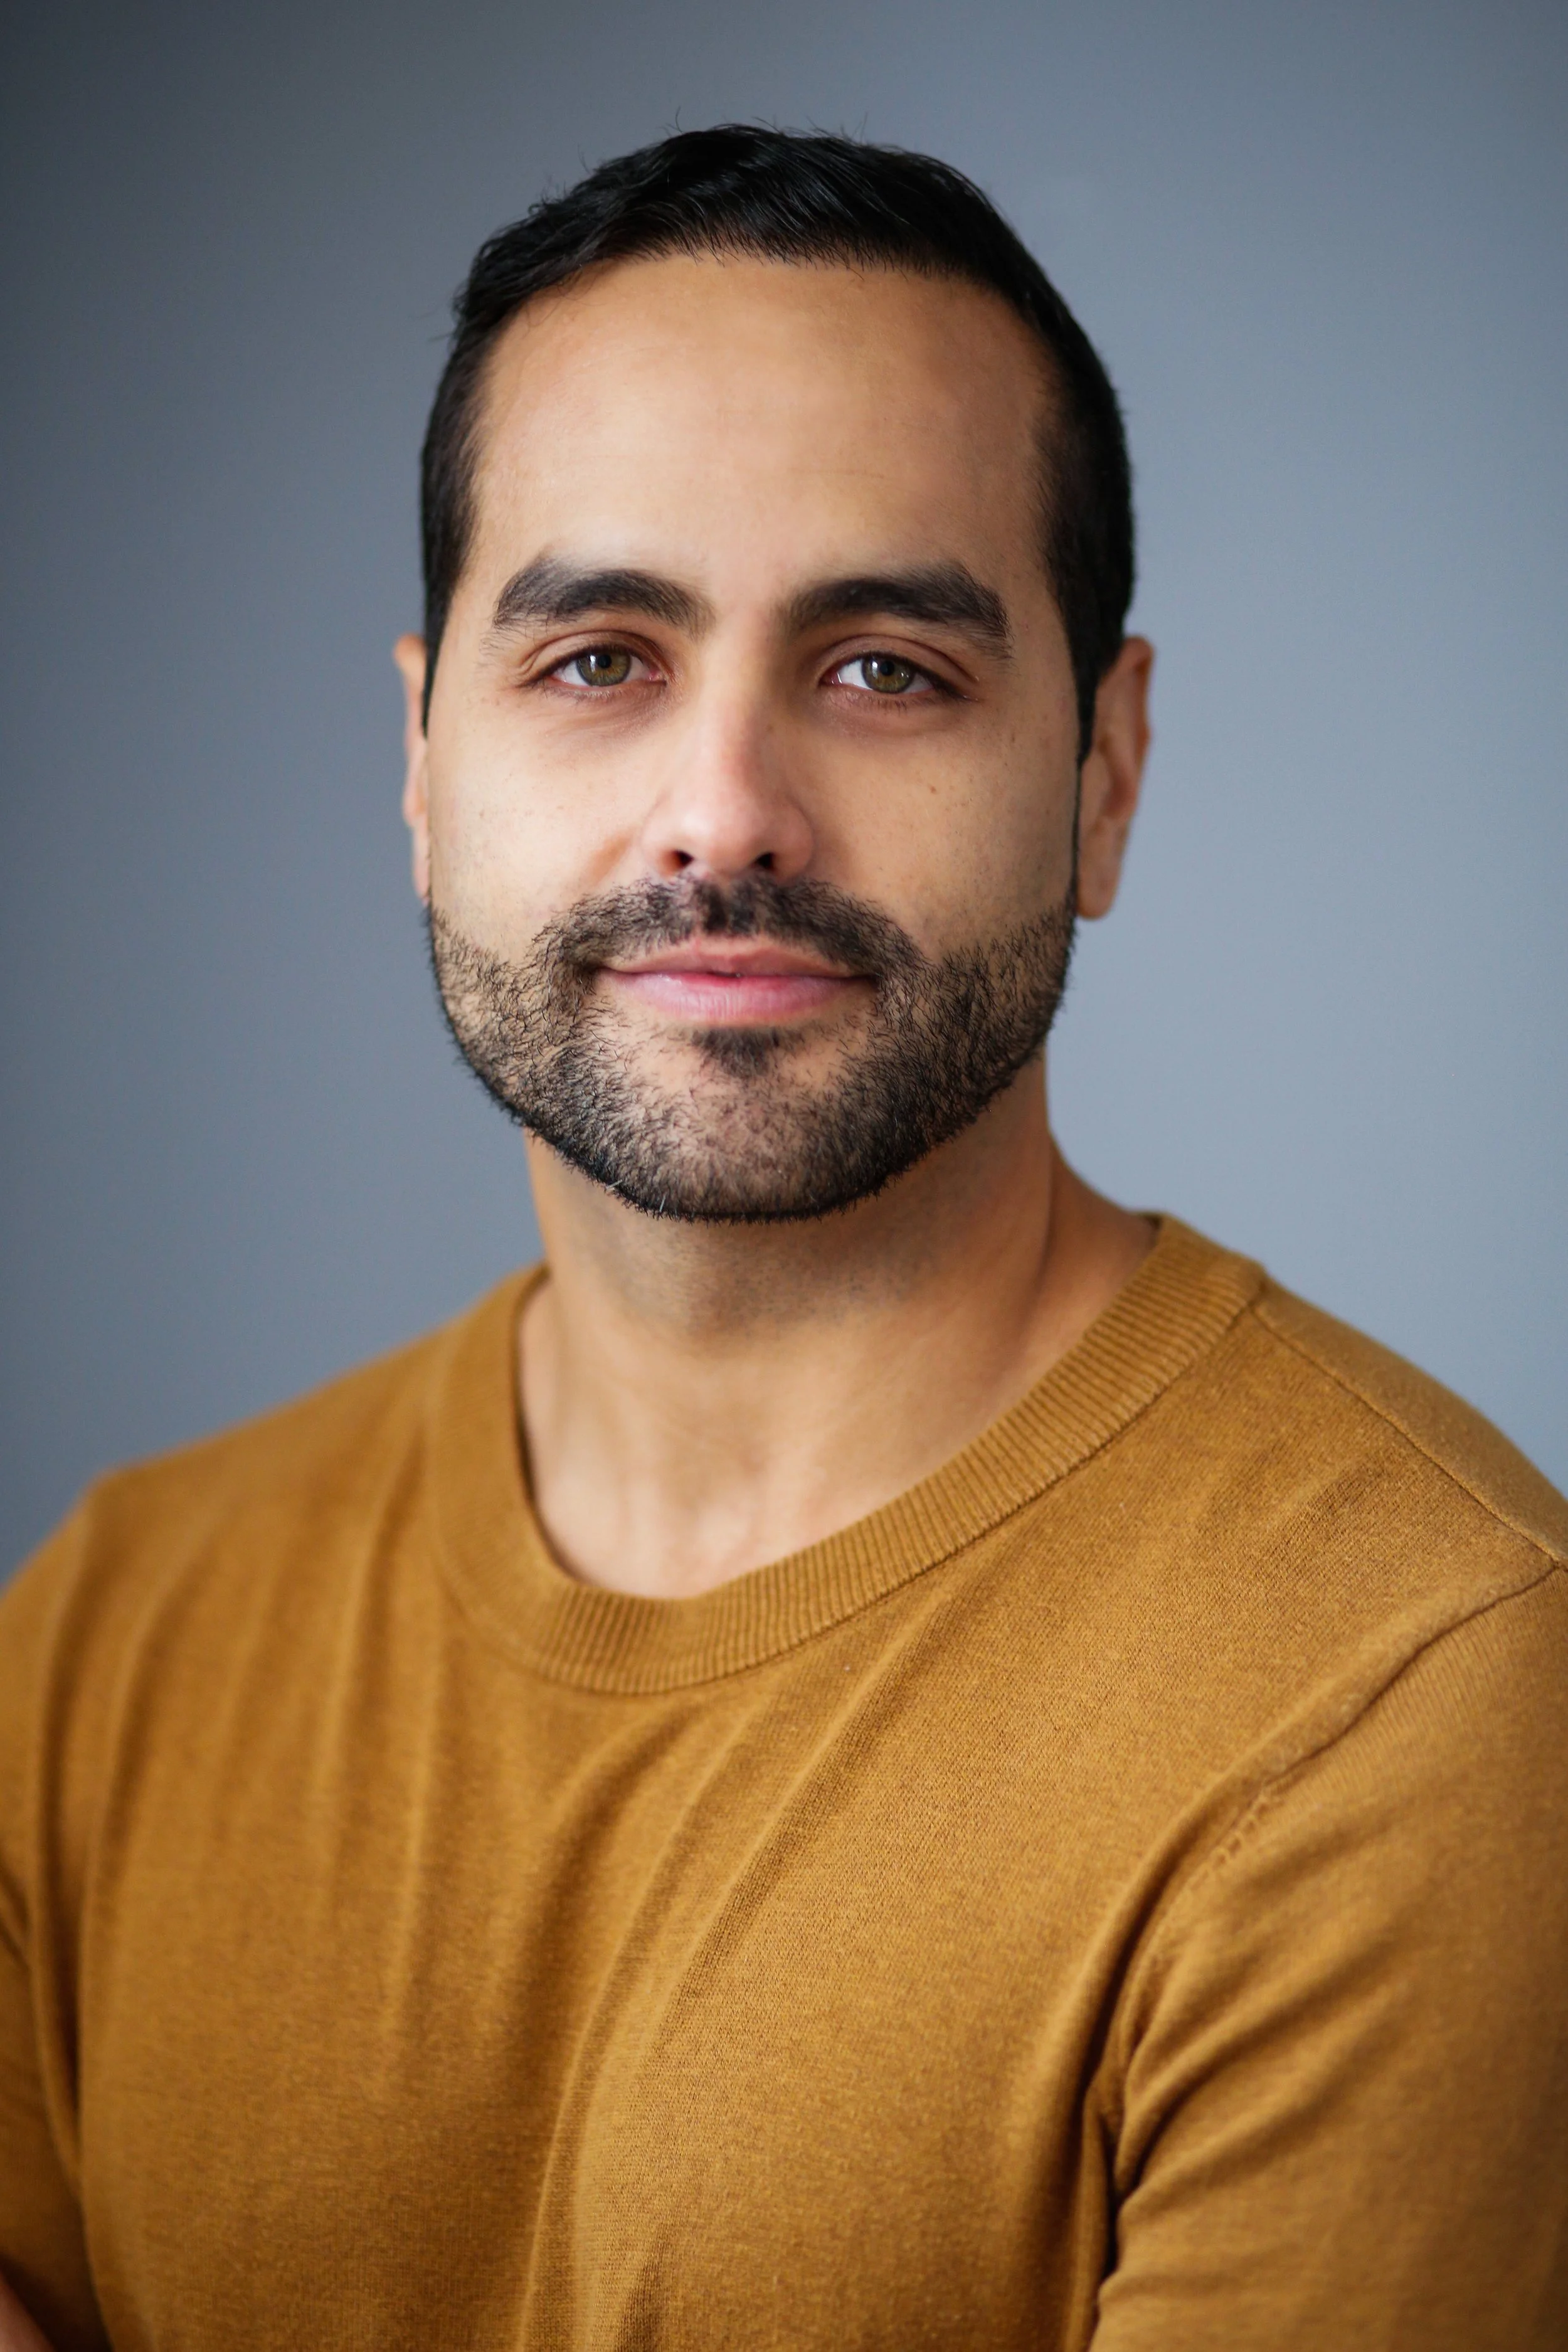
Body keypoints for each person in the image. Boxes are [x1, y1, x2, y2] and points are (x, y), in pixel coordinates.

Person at [1, 125, 1564, 2352]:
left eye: (885, 668)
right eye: (597, 659)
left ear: (1104, 774)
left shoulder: (1423, 1696)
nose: (723, 811)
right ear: (424, 762)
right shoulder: (105, 1639)